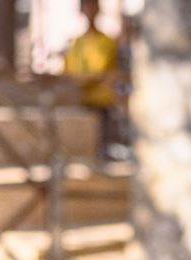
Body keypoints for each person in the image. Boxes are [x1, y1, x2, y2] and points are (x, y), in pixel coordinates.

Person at [64, 0, 120, 161]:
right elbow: (70, 69)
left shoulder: (107, 42)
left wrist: (83, 79)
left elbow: (99, 70)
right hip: (82, 100)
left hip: (101, 101)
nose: (90, 10)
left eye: (92, 6)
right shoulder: (77, 43)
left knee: (100, 142)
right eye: (86, 6)